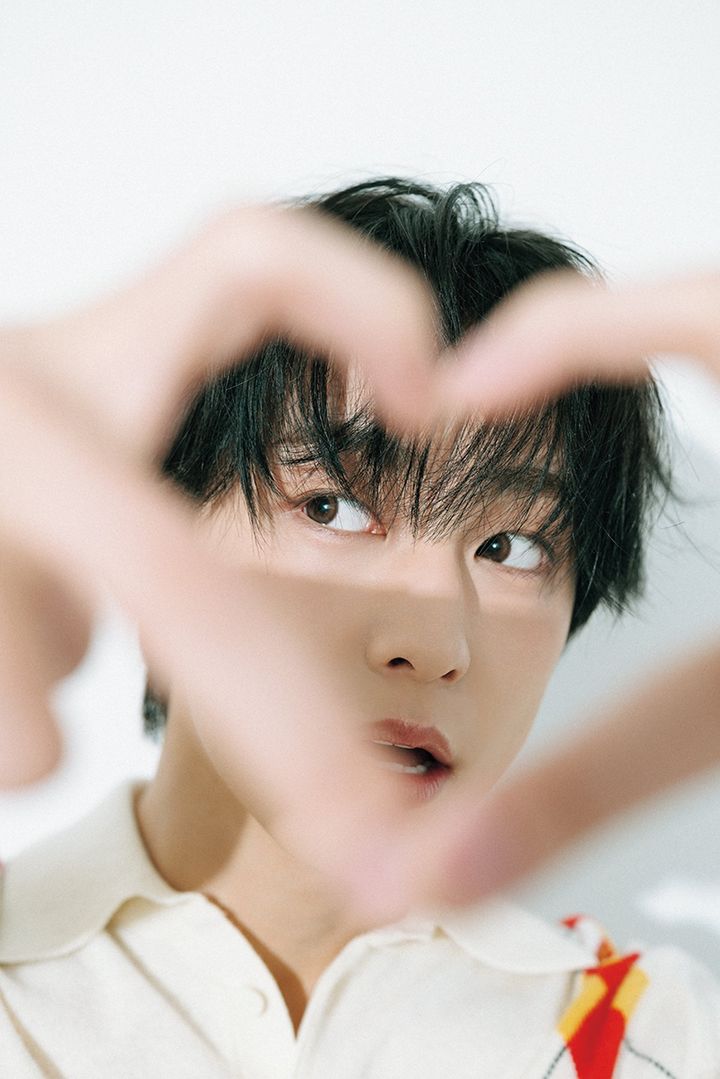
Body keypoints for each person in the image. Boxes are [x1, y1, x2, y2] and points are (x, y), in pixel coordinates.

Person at [2, 178, 718, 1077]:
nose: (435, 645)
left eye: (511, 547)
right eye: (332, 507)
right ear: (148, 518)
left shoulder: (664, 1037)